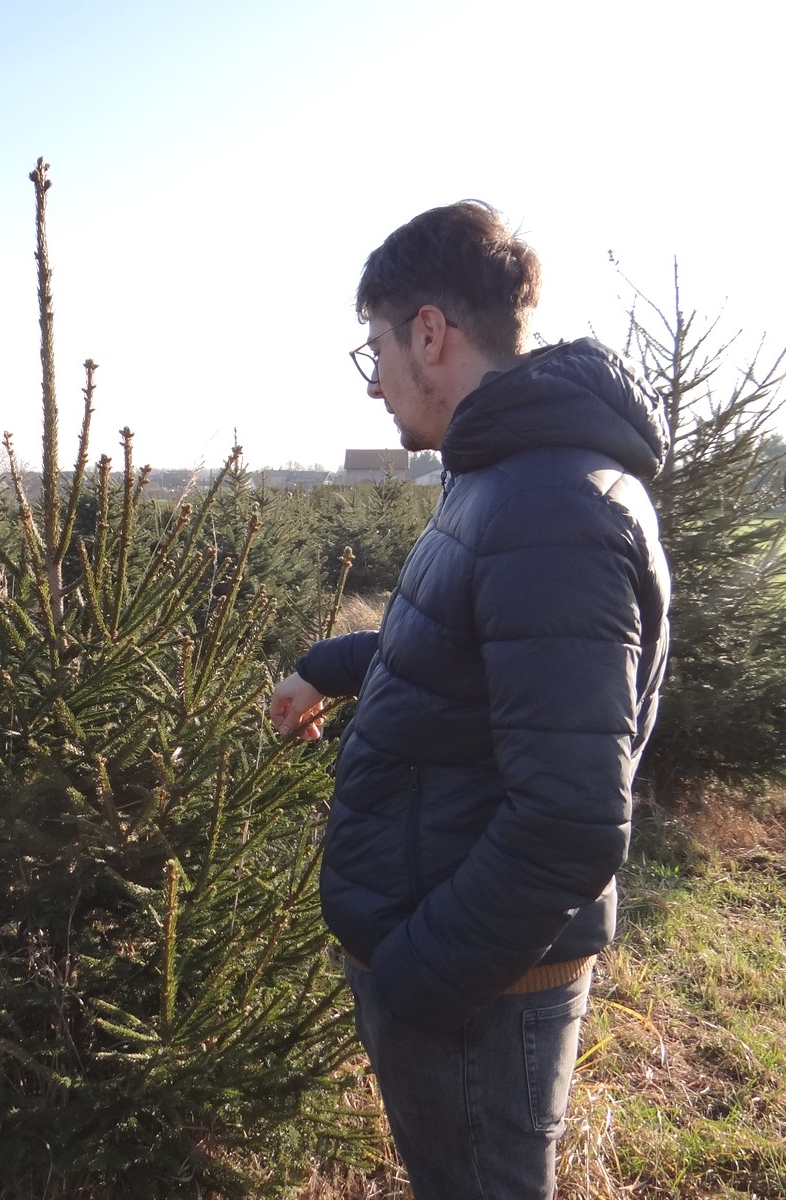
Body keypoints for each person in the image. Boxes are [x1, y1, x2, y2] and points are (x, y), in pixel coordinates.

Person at [269, 201, 671, 1200]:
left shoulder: (551, 508)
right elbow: (457, 650)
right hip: (457, 965)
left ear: (431, 333)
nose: (373, 387)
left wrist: (413, 977)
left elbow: (570, 823)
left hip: (476, 988)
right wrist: (323, 666)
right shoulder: (505, 479)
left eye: (376, 350)